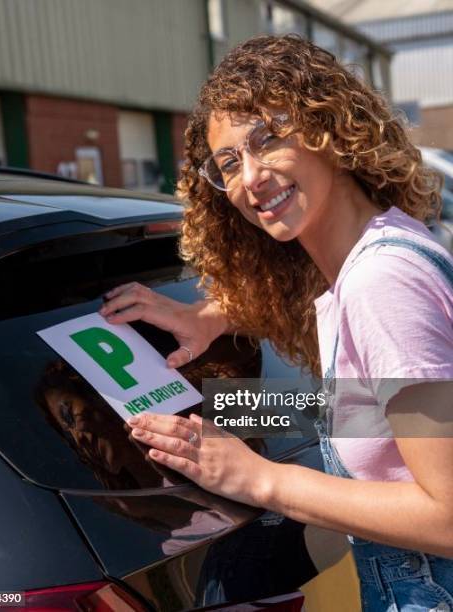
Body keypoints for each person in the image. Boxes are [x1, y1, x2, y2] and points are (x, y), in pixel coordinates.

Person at [99, 35, 453, 611]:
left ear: (329, 130)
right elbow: (371, 409)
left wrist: (256, 478)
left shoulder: (379, 282)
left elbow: (449, 517)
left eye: (268, 137)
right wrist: (210, 341)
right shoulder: (371, 249)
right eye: (229, 162)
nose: (252, 177)